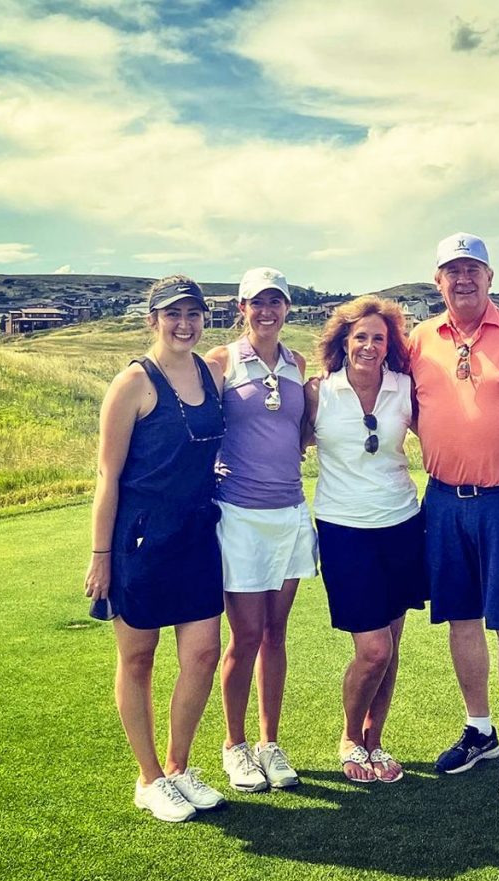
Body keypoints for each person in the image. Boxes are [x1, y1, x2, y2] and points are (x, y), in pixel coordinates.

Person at [409, 232, 499, 804]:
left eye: (473, 269)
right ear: (438, 280)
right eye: (452, 270)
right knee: (461, 619)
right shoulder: (420, 339)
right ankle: (480, 730)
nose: (463, 278)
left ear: (490, 277)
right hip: (444, 498)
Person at [83, 275, 227, 823]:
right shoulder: (133, 383)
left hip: (196, 535)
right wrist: (101, 557)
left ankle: (178, 767)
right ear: (153, 319)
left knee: (202, 654)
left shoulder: (213, 372)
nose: (184, 323)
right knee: (138, 659)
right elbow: (107, 476)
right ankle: (149, 779)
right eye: (173, 314)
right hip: (140, 540)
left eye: (193, 313)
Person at [303, 296, 426, 784]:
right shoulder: (320, 393)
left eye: (379, 338)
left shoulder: (405, 388)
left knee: (391, 645)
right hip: (343, 530)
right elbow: (282, 440)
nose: (370, 346)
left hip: (401, 524)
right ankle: (351, 736)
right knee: (373, 648)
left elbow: (446, 431)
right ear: (343, 342)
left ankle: (375, 741)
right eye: (360, 337)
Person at [205, 267, 317, 793]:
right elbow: (200, 429)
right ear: (242, 308)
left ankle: (270, 744)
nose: (267, 310)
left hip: (289, 513)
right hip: (240, 517)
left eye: (277, 301)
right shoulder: (221, 361)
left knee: (276, 633)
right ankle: (235, 745)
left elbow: (302, 433)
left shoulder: (296, 363)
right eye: (257, 302)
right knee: (245, 635)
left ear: (287, 308)